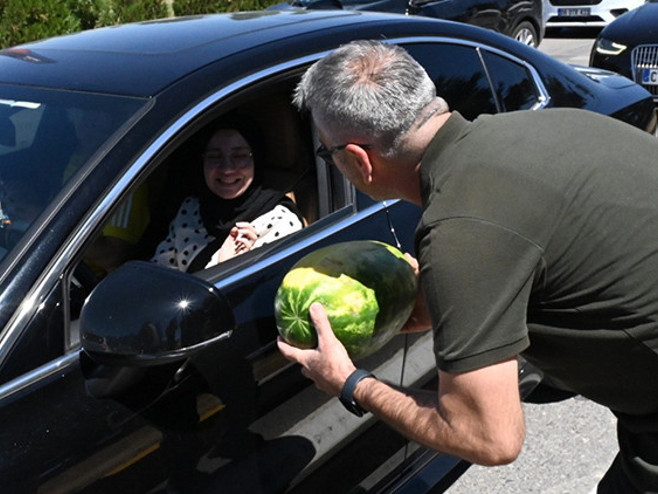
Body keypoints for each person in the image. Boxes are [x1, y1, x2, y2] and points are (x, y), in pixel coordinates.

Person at [277, 39, 658, 493]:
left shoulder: (459, 231)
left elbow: (489, 437)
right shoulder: (558, 124)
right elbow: (580, 258)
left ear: (359, 159)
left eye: (328, 153)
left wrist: (351, 382)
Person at [151, 117, 303, 272]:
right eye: (214, 156)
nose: (227, 169)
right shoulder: (191, 207)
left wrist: (228, 266)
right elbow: (159, 275)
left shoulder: (280, 220)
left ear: (256, 159)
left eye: (239, 156)